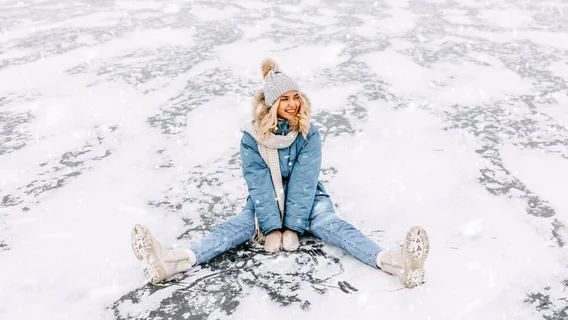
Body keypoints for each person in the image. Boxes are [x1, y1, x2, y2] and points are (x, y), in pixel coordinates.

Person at [131, 59, 430, 289]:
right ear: (272, 104)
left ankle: (395, 262)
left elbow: (303, 181)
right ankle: (173, 260)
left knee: (336, 228)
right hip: (265, 200)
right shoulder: (252, 138)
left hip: (309, 198)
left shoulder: (308, 134)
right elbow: (258, 183)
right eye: (285, 99)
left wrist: (293, 227)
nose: (293, 104)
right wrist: (271, 227)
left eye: (296, 97)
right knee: (233, 229)